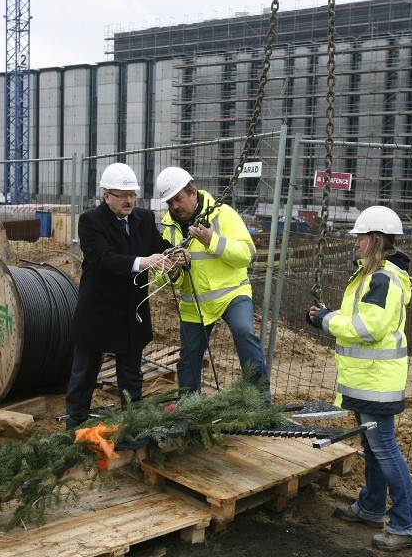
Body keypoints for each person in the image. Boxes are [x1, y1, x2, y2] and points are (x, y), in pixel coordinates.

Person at [306, 206, 412, 552]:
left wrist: (325, 321)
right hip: (365, 380)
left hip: (376, 382)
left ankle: (408, 522)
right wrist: (326, 316)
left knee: (385, 448)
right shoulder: (370, 275)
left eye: (360, 238)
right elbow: (359, 317)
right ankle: (372, 507)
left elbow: (368, 328)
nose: (356, 243)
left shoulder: (383, 279)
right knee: (373, 446)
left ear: (375, 239)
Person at [65, 163, 182, 430]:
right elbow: (102, 258)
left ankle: (133, 423)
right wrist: (142, 262)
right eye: (122, 195)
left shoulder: (144, 218)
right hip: (98, 309)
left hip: (132, 309)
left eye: (132, 195)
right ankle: (75, 424)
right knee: (84, 373)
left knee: (131, 374)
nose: (129, 200)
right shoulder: (91, 222)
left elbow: (158, 246)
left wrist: (174, 253)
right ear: (106, 196)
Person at [154, 166, 268, 398]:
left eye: (179, 199)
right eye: (169, 202)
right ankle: (189, 407)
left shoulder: (223, 214)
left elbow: (247, 254)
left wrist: (213, 241)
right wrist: (174, 269)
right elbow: (161, 277)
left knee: (244, 332)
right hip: (194, 303)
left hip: (232, 294)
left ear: (193, 193)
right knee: (189, 357)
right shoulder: (168, 229)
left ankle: (259, 401)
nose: (175, 206)